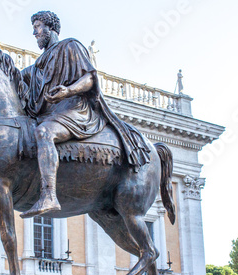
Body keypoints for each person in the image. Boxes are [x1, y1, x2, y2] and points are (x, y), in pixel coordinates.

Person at [20, 11, 151, 218]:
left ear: (50, 28)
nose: (34, 32)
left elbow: (90, 78)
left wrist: (68, 91)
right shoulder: (36, 66)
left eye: (37, 27)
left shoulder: (70, 46)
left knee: (44, 133)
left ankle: (49, 195)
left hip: (75, 110)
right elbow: (15, 79)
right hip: (53, 114)